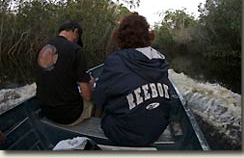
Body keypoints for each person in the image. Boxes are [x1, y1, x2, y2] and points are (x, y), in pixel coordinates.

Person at [93, 13, 173, 146]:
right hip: (156, 131)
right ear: (147, 35)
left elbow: (98, 98)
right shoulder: (161, 61)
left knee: (101, 105)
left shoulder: (115, 61)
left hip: (122, 133)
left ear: (121, 36)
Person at [36, 20, 94, 126]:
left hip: (46, 111)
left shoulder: (42, 48)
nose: (76, 41)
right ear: (75, 31)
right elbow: (87, 96)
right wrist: (90, 84)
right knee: (95, 100)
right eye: (77, 38)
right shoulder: (76, 50)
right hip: (69, 116)